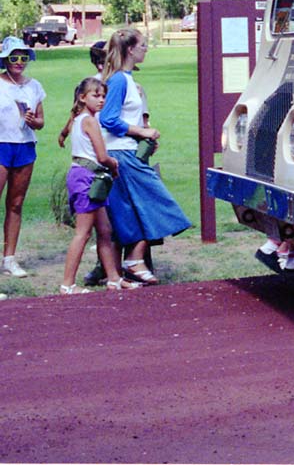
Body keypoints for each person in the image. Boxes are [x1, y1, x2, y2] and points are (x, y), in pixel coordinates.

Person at [99, 29, 191, 284]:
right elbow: (108, 119)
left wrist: (143, 138)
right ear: (130, 49)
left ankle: (134, 259)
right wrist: (141, 130)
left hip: (129, 150)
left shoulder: (127, 80)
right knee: (156, 201)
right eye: (143, 45)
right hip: (122, 153)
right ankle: (134, 258)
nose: (146, 49)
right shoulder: (119, 81)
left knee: (133, 208)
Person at [57, 78, 140, 293]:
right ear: (82, 97)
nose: (101, 100)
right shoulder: (90, 121)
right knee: (83, 233)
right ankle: (67, 284)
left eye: (103, 96)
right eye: (96, 95)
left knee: (104, 230)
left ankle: (113, 278)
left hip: (90, 177)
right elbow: (102, 156)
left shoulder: (78, 118)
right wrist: (114, 164)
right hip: (87, 177)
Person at [0, 36, 45, 278]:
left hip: (25, 146)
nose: (19, 62)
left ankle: (9, 259)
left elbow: (40, 121)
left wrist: (33, 121)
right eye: (14, 57)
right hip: (1, 144)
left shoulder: (34, 86)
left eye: (23, 57)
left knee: (16, 204)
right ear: (5, 59)